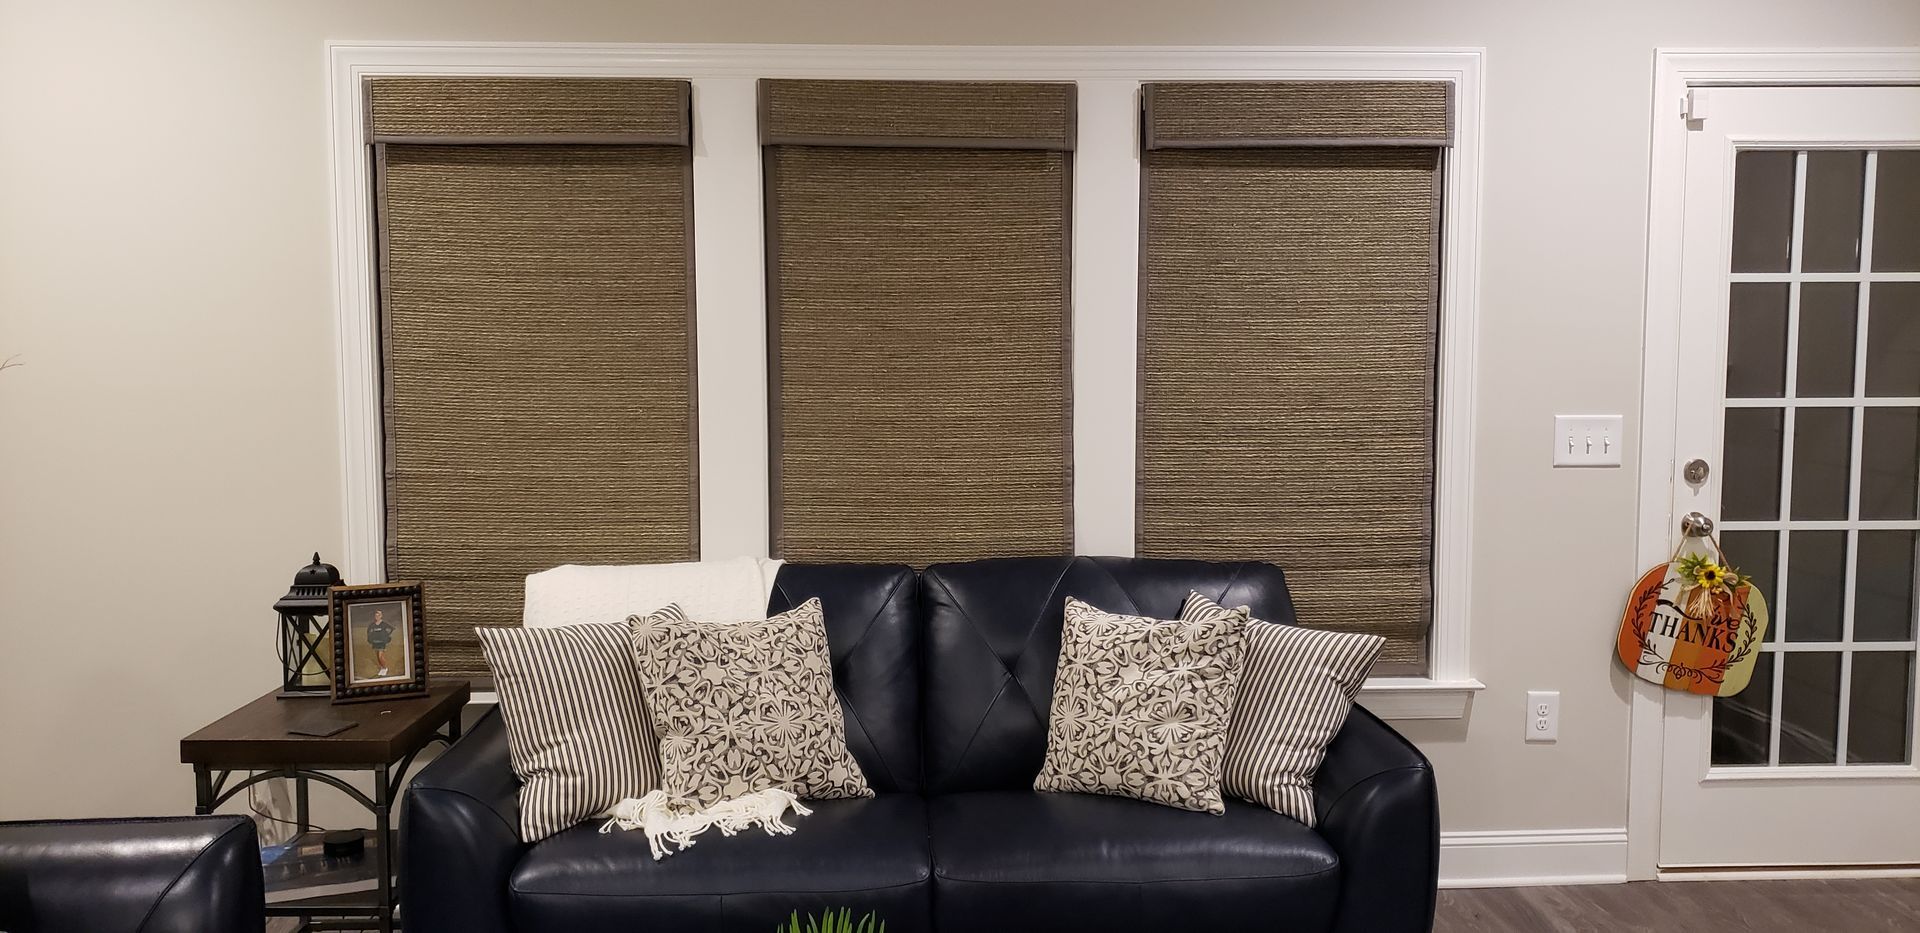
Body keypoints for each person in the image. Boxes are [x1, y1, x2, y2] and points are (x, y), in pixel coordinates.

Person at [365, 608, 396, 677]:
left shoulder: (384, 623)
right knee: (377, 656)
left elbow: (392, 628)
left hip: (382, 642)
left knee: (380, 656)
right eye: (376, 616)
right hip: (375, 642)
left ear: (381, 616)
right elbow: (368, 631)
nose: (377, 617)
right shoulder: (372, 624)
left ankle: (385, 668)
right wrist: (370, 637)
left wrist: (387, 635)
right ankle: (382, 668)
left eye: (378, 615)